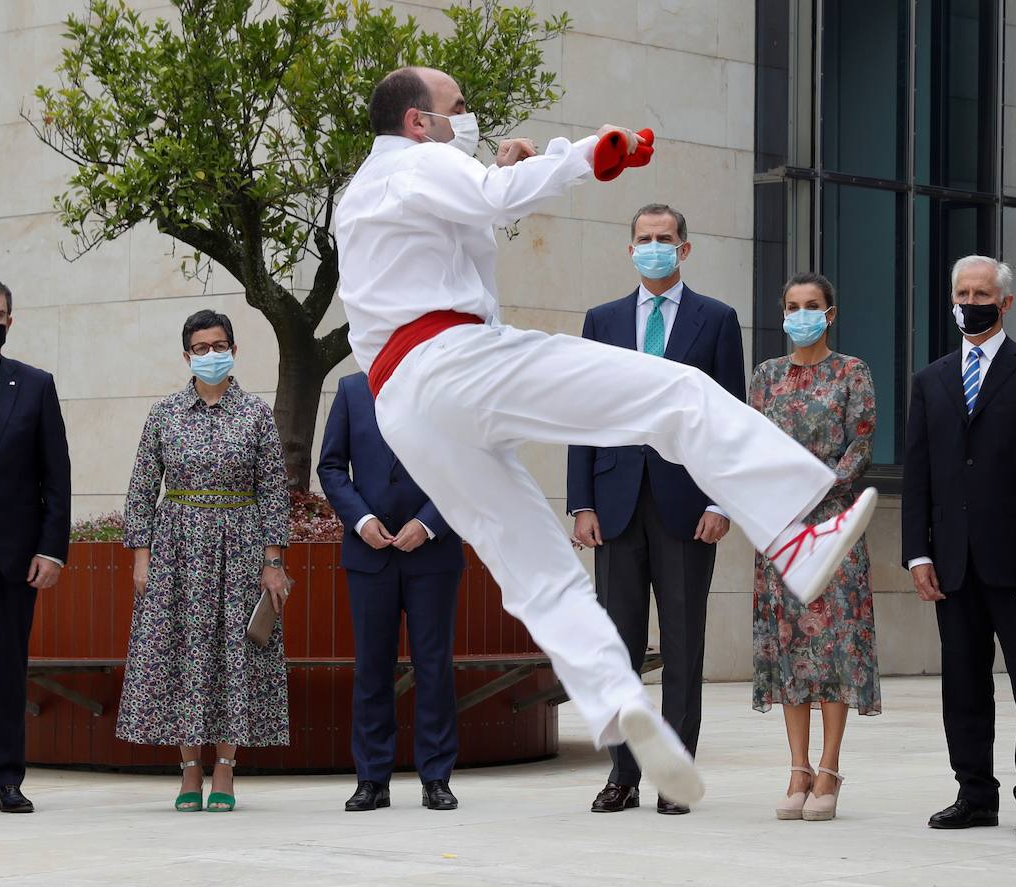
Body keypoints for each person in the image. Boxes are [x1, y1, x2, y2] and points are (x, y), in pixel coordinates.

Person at [335, 67, 875, 806]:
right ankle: (791, 531)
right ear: (419, 123)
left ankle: (616, 701)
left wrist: (494, 171)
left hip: (402, 401)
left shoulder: (364, 193)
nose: (469, 117)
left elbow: (461, 221)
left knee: (534, 565)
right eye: (458, 108)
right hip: (451, 358)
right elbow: (491, 200)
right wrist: (592, 154)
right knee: (676, 394)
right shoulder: (423, 161)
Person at [567, 203, 744, 817]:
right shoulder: (603, 320)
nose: (653, 247)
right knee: (615, 649)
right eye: (643, 238)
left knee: (684, 647)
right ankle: (621, 775)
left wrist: (723, 499)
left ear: (684, 249)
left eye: (664, 239)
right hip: (614, 504)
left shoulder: (717, 321)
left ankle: (673, 772)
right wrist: (581, 500)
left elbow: (729, 419)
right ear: (629, 247)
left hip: (688, 506)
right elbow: (583, 413)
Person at [902, 255, 1016, 839]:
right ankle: (975, 793)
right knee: (963, 683)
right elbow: (918, 473)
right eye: (961, 292)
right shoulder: (930, 380)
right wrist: (917, 553)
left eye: (982, 293)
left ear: (1005, 303)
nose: (970, 301)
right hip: (951, 561)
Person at [117, 310, 292, 813]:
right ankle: (189, 769)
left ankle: (225, 770)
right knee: (183, 654)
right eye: (200, 347)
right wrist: (141, 557)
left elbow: (274, 492)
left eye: (219, 345)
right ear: (187, 354)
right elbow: (142, 490)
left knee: (233, 657)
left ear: (234, 350)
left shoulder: (255, 415)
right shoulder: (164, 414)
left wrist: (273, 560)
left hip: (240, 547)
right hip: (176, 551)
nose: (210, 354)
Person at [750, 273, 878, 823]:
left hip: (833, 525)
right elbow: (749, 444)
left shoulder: (852, 372)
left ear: (830, 313)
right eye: (793, 306)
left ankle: (829, 768)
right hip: (779, 526)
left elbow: (862, 442)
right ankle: (797, 769)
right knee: (790, 650)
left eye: (813, 305)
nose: (802, 313)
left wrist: (817, 486)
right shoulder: (765, 376)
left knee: (834, 648)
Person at [318, 372, 465, 813]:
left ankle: (437, 777)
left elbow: (465, 466)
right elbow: (331, 466)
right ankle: (371, 779)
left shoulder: (445, 384)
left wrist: (428, 523)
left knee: (434, 667)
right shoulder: (350, 389)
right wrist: (361, 520)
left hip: (433, 552)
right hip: (369, 553)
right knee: (372, 668)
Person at [0, 275, 71, 814]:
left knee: (7, 669)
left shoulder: (34, 385)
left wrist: (52, 548)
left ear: (10, 322)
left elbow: (55, 475)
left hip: (12, 557)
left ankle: (5, 780)